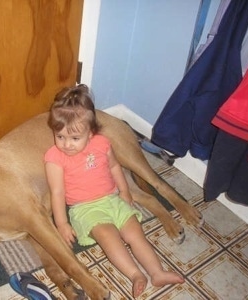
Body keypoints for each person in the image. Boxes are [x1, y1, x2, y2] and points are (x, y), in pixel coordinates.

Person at [44, 84, 184, 297]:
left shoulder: (102, 144)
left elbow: (115, 167)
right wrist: (62, 224)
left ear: (91, 133)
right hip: (85, 209)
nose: (66, 144)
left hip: (112, 199)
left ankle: (157, 273)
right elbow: (57, 193)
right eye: (60, 136)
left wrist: (125, 191)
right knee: (110, 238)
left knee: (135, 233)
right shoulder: (54, 157)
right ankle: (136, 274)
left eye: (74, 138)